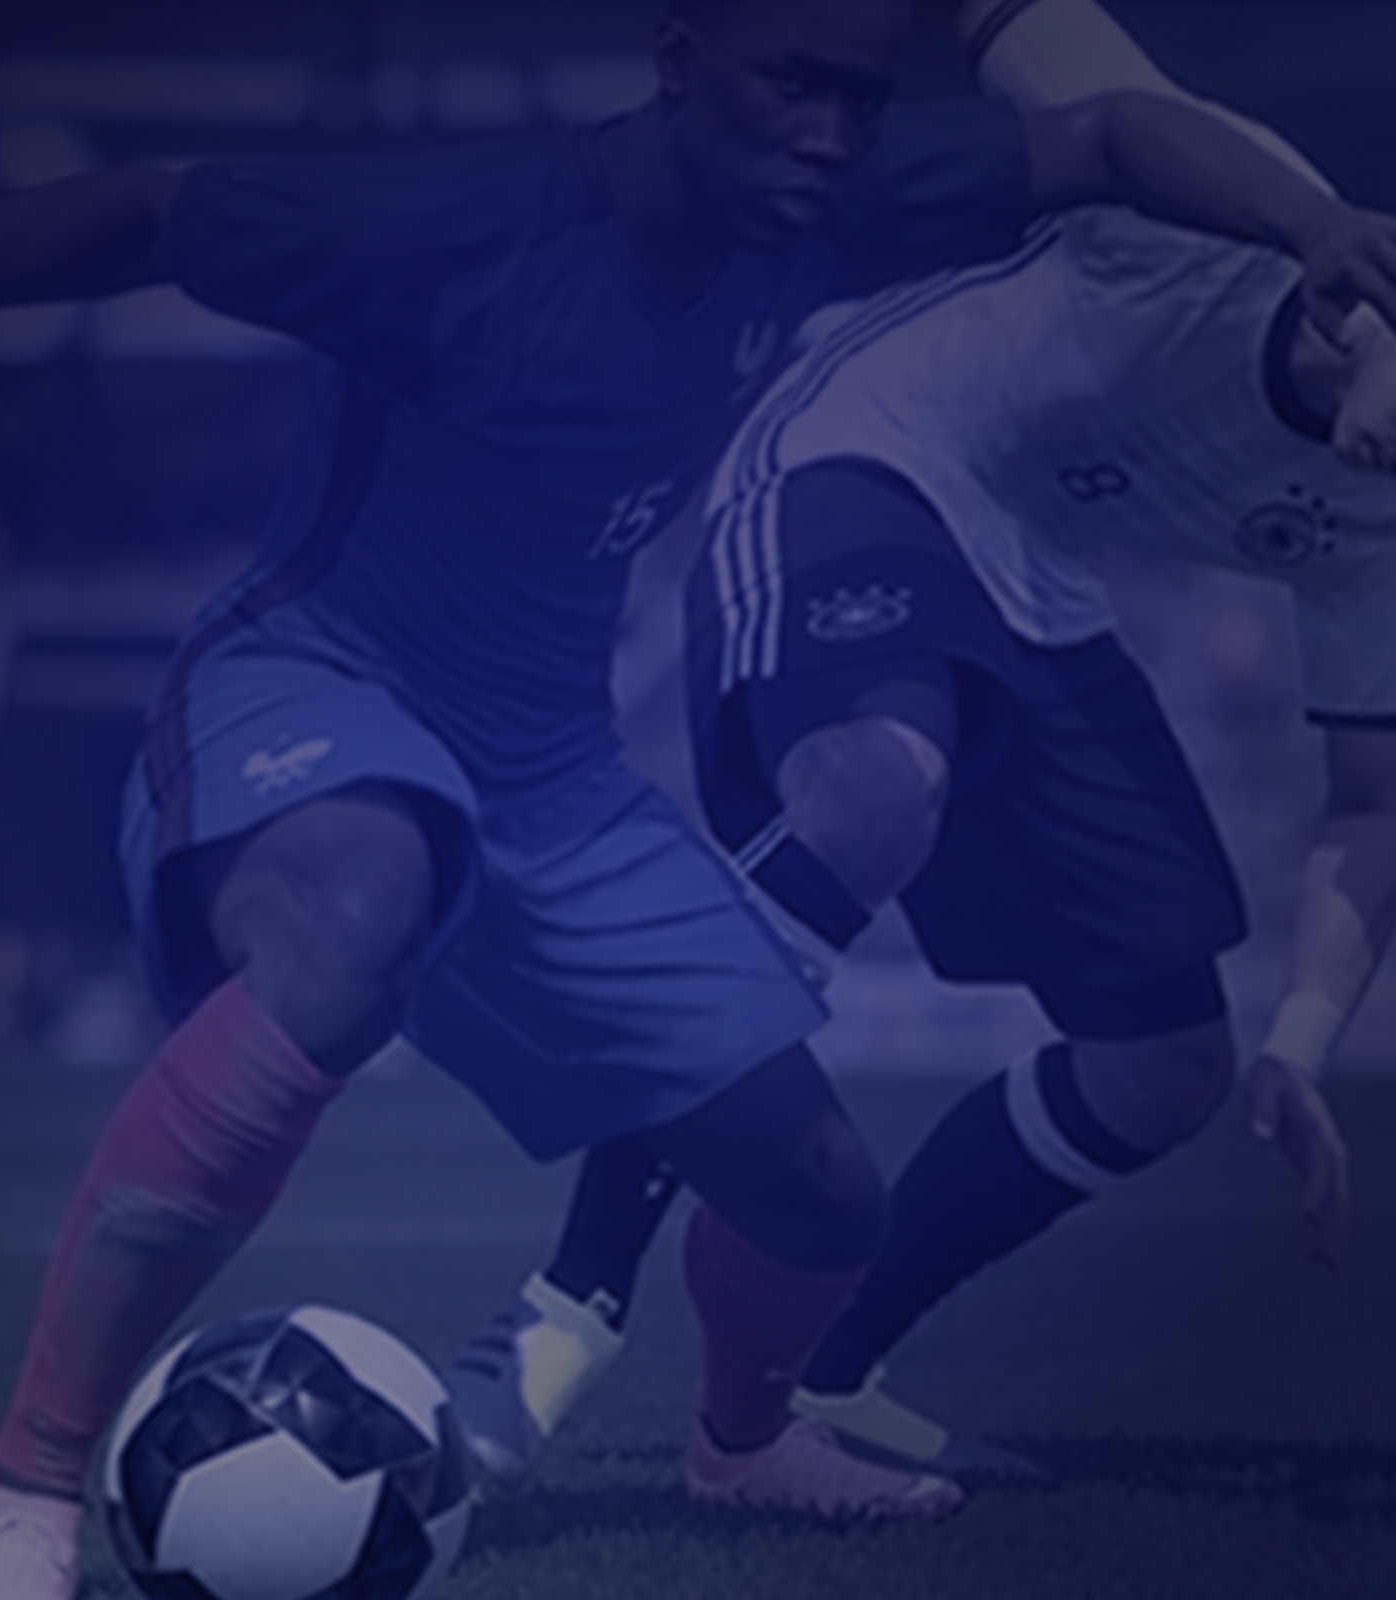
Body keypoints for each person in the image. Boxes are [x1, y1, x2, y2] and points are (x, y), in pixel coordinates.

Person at [0, 1, 1396, 1594]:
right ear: (678, 62)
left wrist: (1315, 226)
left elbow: (1107, 137)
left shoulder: (831, 198)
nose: (832, 134)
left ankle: (744, 1441)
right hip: (322, 680)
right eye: (793, 85)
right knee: (355, 921)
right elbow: (149, 214)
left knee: (820, 1197)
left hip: (556, 781)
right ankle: (28, 1478)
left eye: (860, 99)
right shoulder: (454, 232)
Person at [444, 0, 1396, 1488]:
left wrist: (1302, 1045)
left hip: (1039, 579)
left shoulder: (1383, 524)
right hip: (869, 447)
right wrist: (1304, 216)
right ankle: (566, 1311)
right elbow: (1027, 26)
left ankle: (807, 1392)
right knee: (874, 782)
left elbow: (1375, 800)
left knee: (1164, 1068)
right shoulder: (1237, 207)